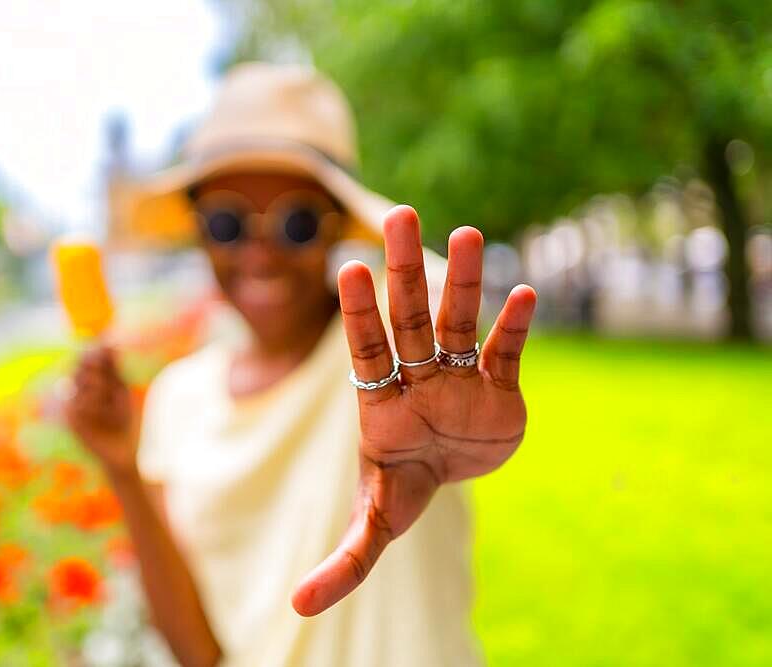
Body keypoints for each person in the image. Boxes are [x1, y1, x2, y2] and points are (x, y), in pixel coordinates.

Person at [66, 62, 537, 667]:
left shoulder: (395, 354)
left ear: (337, 225)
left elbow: (446, 296)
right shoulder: (177, 400)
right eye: (228, 223)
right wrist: (120, 467)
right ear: (198, 232)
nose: (259, 252)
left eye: (296, 222)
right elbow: (198, 651)